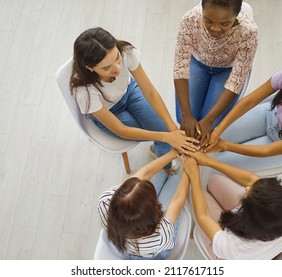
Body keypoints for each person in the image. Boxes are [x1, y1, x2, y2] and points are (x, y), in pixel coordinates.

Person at [70, 27, 198, 171]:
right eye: (107, 68)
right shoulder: (84, 92)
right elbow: (121, 130)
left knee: (164, 129)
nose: (117, 68)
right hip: (110, 111)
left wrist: (172, 129)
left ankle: (163, 162)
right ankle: (164, 164)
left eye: (117, 58)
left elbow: (150, 92)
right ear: (90, 68)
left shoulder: (126, 52)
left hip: (129, 91)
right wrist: (167, 137)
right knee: (160, 133)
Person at [179, 151, 282, 259]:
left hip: (229, 256)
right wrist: (209, 161)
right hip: (265, 240)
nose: (246, 188)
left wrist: (194, 176)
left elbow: (203, 216)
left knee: (192, 194)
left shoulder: (235, 246)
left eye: (246, 197)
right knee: (214, 181)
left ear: (247, 218)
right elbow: (252, 180)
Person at [174, 0, 258, 147]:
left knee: (210, 126)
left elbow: (236, 79)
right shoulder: (189, 19)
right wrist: (187, 115)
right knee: (183, 118)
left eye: (225, 24)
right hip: (198, 62)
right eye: (208, 20)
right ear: (202, 10)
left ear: (237, 15)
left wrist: (209, 120)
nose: (215, 28)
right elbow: (180, 66)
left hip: (227, 70)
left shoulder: (249, 32)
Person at [97, 149, 189, 259]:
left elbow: (145, 174)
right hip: (152, 253)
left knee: (160, 173)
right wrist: (190, 168)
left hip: (124, 243)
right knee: (175, 180)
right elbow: (177, 200)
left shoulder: (105, 201)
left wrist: (175, 152)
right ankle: (172, 178)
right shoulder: (159, 237)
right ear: (152, 214)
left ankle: (167, 177)